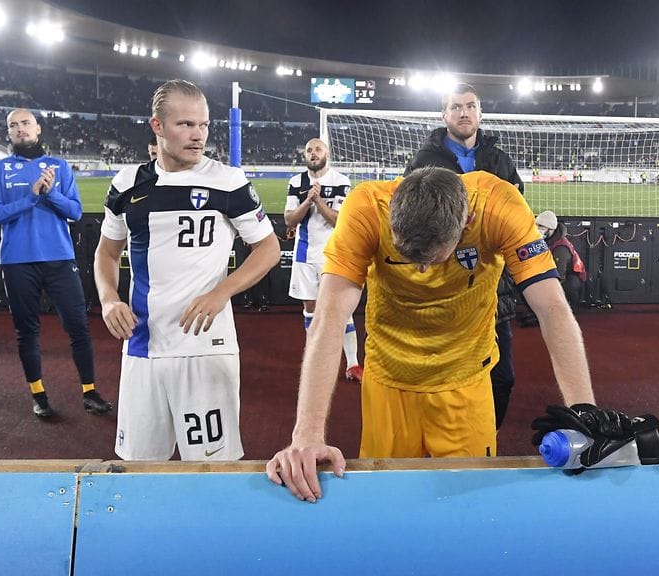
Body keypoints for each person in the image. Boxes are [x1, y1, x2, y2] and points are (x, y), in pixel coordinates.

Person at [266, 167, 624, 502]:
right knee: (386, 503)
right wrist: (307, 435)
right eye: (409, 258)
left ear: (467, 221)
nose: (422, 270)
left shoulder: (498, 206)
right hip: (388, 381)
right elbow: (328, 317)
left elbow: (553, 309)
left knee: (472, 504)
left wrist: (584, 412)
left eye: (433, 260)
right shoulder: (365, 208)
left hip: (466, 383)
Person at [93, 79, 280, 461]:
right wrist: (110, 300)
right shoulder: (127, 185)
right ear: (157, 126)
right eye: (185, 125)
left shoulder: (228, 182)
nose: (198, 136)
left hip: (206, 347)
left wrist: (220, 293)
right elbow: (106, 253)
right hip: (143, 345)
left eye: (204, 125)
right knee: (141, 469)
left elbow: (269, 248)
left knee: (212, 468)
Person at [404, 82, 524, 430]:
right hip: (442, 288)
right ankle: (441, 448)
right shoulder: (423, 162)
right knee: (440, 382)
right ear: (444, 115)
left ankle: (484, 437)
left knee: (502, 379)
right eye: (456, 107)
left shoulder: (500, 160)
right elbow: (412, 222)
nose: (464, 112)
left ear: (480, 112)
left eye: (470, 106)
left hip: (492, 291)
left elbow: (516, 209)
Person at [0, 108, 113, 419]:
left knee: (79, 327)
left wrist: (50, 193)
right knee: (26, 331)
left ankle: (89, 391)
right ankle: (39, 395)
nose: (19, 129)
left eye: (25, 123)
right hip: (17, 261)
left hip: (59, 258)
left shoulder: (59, 167)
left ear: (38, 128)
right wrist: (31, 197)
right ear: (9, 133)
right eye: (13, 125)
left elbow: (76, 212)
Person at [284, 138, 361, 381]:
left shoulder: (340, 181)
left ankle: (353, 364)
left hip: (334, 255)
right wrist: (308, 200)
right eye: (309, 150)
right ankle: (316, 361)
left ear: (327, 153)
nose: (313, 153)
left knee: (342, 310)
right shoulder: (296, 183)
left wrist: (318, 200)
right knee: (310, 309)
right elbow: (289, 220)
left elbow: (338, 220)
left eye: (318, 149)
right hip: (305, 254)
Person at [535, 210, 587, 306]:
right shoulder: (549, 240)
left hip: (568, 277)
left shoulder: (561, 248)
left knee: (569, 286)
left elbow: (559, 275)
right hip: (552, 272)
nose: (537, 228)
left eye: (541, 226)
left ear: (550, 229)